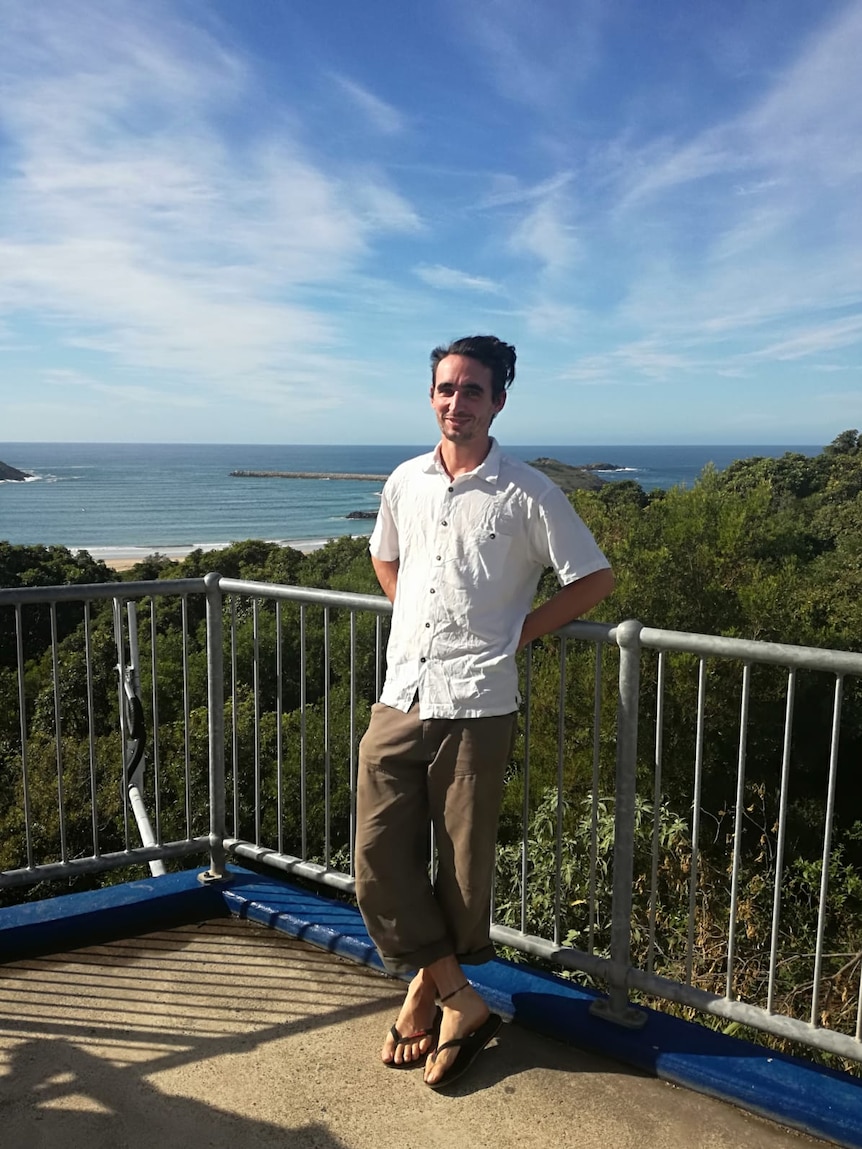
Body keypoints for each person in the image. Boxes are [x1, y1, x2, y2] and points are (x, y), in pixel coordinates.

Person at [354, 335, 614, 1089]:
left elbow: (592, 578)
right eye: (444, 388)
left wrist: (520, 633)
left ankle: (423, 993)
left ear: (499, 399)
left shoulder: (529, 492)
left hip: (477, 700)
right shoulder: (405, 481)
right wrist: (407, 614)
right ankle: (461, 999)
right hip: (401, 692)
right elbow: (384, 553)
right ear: (430, 395)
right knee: (375, 859)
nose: (455, 403)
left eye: (472, 390)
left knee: (464, 873)